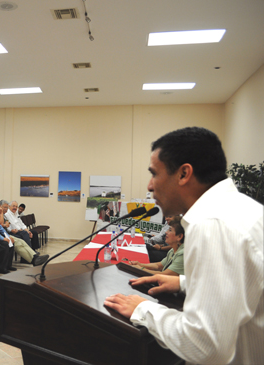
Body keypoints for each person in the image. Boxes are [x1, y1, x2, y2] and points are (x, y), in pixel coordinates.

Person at [104, 127, 263, 364]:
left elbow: (206, 346)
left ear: (183, 174)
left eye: (154, 174)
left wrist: (144, 310)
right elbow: (247, 283)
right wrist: (184, 283)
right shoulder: (242, 209)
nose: (149, 186)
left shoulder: (212, 224)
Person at [0, 200, 48, 268]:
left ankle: (35, 257)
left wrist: (7, 235)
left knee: (21, 241)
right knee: (17, 241)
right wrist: (5, 237)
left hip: (3, 234)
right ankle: (32, 260)